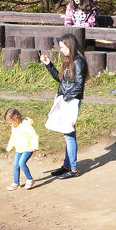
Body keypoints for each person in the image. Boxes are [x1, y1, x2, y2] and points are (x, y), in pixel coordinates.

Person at [40, 33, 87, 179]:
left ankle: (73, 170)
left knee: (69, 134)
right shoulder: (68, 60)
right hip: (65, 99)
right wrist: (49, 64)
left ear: (70, 46)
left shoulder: (79, 62)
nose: (61, 50)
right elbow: (60, 80)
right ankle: (67, 166)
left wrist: (65, 98)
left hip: (71, 101)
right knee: (67, 133)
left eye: (62, 47)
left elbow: (79, 86)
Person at [4, 107, 39, 190]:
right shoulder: (14, 126)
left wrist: (34, 146)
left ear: (16, 118)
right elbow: (13, 136)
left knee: (21, 163)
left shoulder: (26, 125)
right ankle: (16, 183)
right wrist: (9, 146)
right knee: (16, 165)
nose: (10, 125)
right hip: (19, 149)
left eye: (11, 123)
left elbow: (34, 135)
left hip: (28, 148)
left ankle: (30, 179)